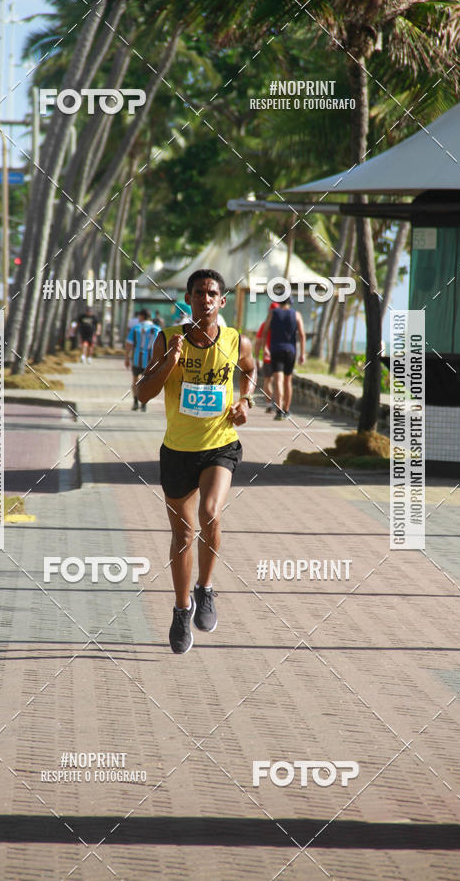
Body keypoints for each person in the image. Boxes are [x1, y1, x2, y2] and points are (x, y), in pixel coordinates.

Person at [137, 269, 256, 654]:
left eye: (213, 293)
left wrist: (245, 401)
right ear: (188, 299)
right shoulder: (168, 339)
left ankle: (205, 589)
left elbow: (250, 371)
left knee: (211, 513)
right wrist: (169, 363)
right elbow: (143, 393)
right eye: (199, 293)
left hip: (220, 445)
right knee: (183, 535)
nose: (206, 299)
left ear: (222, 301)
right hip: (177, 451)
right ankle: (181, 608)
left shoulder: (237, 340)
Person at [262, 296, 306, 419]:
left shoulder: (273, 313)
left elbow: (265, 331)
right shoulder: (296, 314)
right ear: (290, 303)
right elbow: (302, 334)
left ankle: (279, 410)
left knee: (278, 381)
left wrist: (265, 347)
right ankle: (286, 410)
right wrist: (303, 353)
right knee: (288, 381)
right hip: (291, 351)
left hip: (276, 350)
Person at [125, 309, 160, 412]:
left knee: (135, 380)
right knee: (147, 381)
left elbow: (129, 344)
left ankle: (135, 402)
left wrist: (126, 357)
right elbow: (160, 345)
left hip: (137, 359)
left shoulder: (136, 328)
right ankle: (144, 403)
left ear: (141, 316)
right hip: (151, 360)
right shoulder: (157, 328)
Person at [254, 302, 278, 412]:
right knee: (278, 380)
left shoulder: (265, 325)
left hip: (268, 356)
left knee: (268, 380)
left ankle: (269, 404)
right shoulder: (283, 326)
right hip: (280, 356)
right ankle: (278, 404)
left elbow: (258, 342)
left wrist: (256, 358)